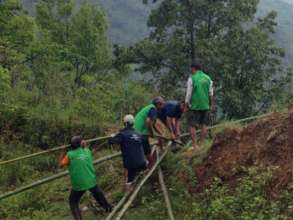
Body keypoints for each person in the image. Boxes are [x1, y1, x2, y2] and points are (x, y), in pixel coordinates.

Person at [59, 136, 112, 220]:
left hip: (78, 184)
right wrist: (84, 145)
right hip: (91, 181)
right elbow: (85, 148)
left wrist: (62, 151)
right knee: (98, 194)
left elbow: (60, 165)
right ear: (81, 144)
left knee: (73, 202)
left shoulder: (69, 155)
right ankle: (108, 208)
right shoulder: (87, 151)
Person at [109, 114, 147, 191]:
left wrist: (112, 136)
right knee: (139, 173)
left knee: (130, 180)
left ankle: (128, 192)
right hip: (143, 162)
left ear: (125, 123)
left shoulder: (122, 134)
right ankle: (139, 187)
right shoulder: (138, 133)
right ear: (133, 123)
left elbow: (111, 142)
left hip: (131, 165)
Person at [185, 62, 215, 151]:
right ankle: (201, 145)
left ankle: (194, 146)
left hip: (195, 106)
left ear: (193, 68)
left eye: (191, 69)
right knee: (204, 124)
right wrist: (211, 104)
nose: (191, 71)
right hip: (205, 105)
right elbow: (211, 93)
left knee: (191, 125)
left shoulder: (192, 78)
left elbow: (189, 93)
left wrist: (187, 103)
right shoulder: (208, 78)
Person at [134, 97, 165, 166]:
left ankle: (145, 166)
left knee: (141, 151)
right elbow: (148, 122)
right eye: (162, 104)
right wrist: (151, 133)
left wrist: (159, 133)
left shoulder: (149, 108)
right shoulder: (153, 109)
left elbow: (152, 124)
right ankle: (152, 167)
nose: (163, 107)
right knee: (148, 152)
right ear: (158, 104)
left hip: (134, 132)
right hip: (141, 133)